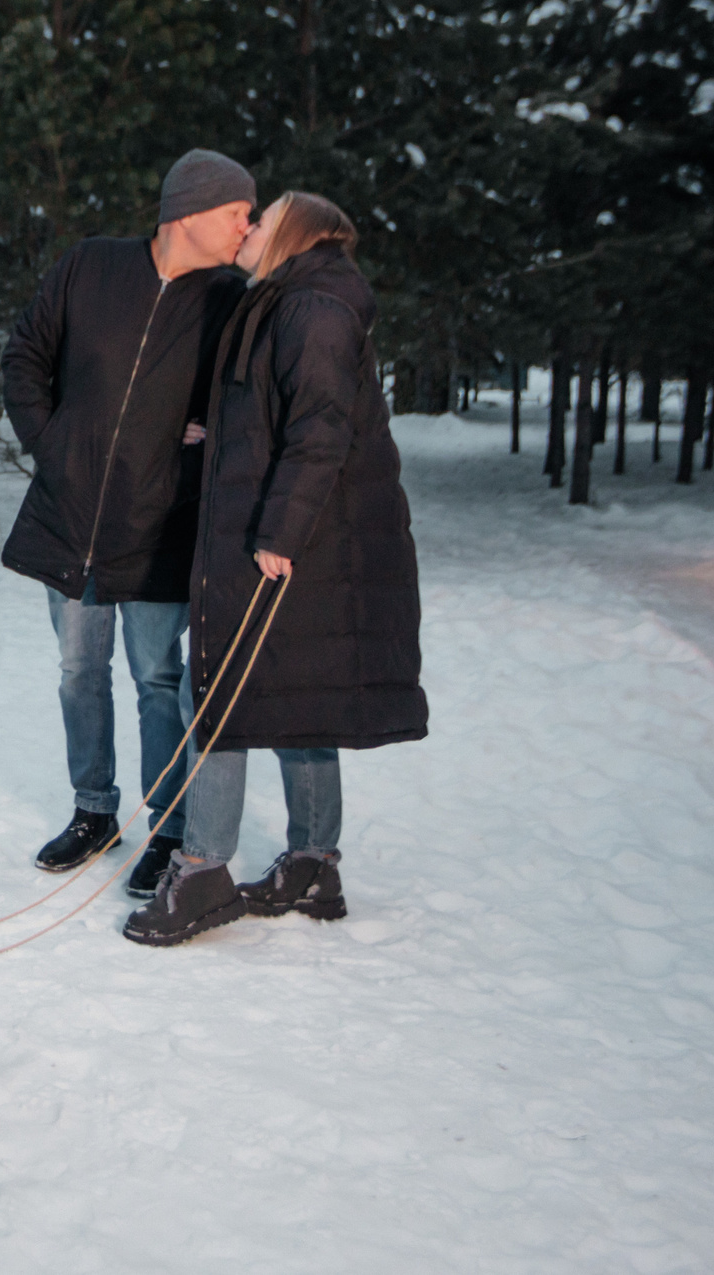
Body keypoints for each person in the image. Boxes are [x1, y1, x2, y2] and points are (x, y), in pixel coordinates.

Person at [123, 192, 429, 947]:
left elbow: (319, 429)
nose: (250, 226)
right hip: (302, 539)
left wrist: (280, 531)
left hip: (291, 541)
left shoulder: (313, 307)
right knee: (299, 697)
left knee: (217, 690)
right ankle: (314, 864)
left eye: (264, 218)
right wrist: (219, 430)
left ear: (295, 232)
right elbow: (280, 410)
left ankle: (202, 870)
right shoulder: (295, 298)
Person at [1, 148, 255, 895]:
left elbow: (244, 405)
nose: (247, 226)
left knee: (157, 677)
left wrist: (191, 452)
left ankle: (168, 826)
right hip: (72, 513)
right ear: (189, 211)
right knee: (80, 671)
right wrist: (55, 446)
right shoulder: (91, 266)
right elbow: (24, 356)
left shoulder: (229, 299)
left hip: (161, 523)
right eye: (236, 211)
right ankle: (93, 810)